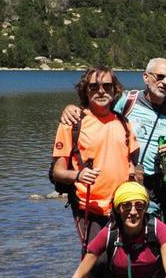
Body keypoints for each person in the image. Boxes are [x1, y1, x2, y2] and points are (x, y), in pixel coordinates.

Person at [60, 59, 166, 233]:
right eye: (160, 77)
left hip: (164, 180)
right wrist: (71, 108)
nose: (164, 82)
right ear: (146, 77)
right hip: (134, 179)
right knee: (135, 232)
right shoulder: (128, 100)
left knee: (165, 233)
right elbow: (99, 109)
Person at [52, 66, 138, 245]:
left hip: (121, 205)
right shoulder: (72, 123)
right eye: (94, 86)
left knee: (121, 261)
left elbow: (132, 164)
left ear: (114, 90)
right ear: (85, 90)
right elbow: (57, 172)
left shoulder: (123, 123)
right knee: (96, 263)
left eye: (107, 86)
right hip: (88, 207)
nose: (101, 91)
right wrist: (78, 175)